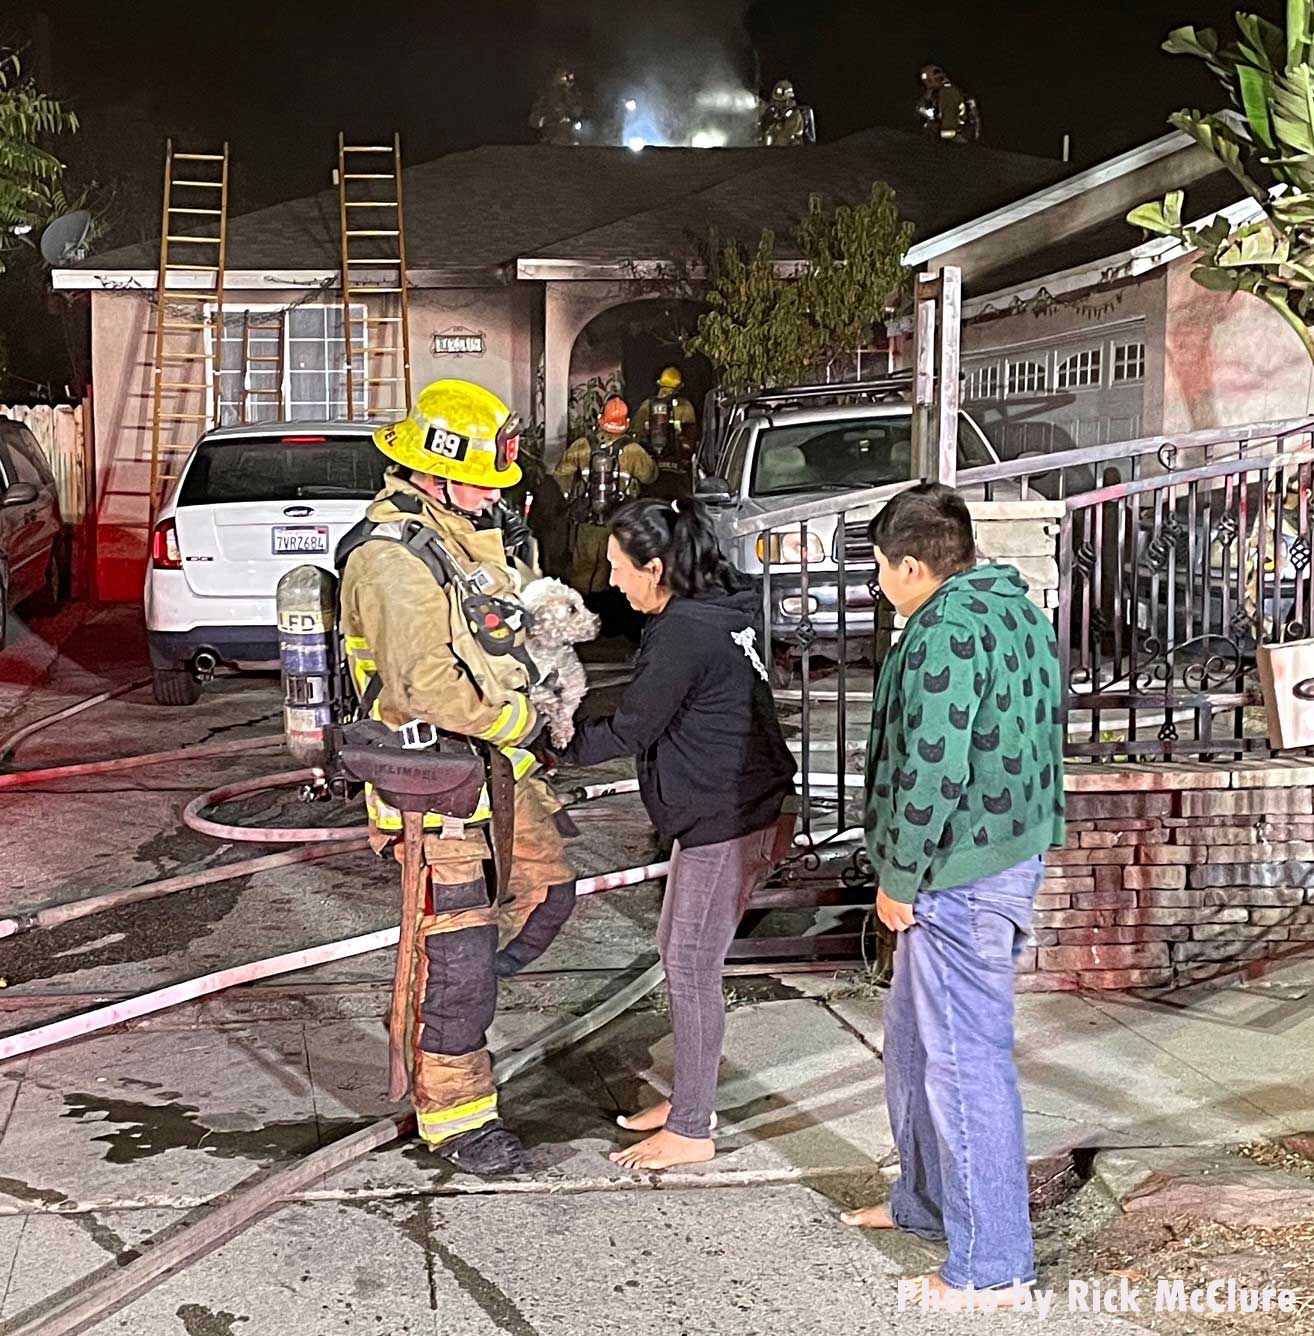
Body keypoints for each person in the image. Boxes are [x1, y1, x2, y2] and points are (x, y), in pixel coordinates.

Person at [338, 378, 578, 1178]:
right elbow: (424, 689)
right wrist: (523, 723)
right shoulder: (391, 561)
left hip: (497, 776)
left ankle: (440, 1002)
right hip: (434, 793)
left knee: (549, 894)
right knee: (459, 956)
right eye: (482, 480)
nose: (494, 494)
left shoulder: (471, 538)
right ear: (433, 475)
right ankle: (455, 1114)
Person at [843, 483, 1064, 1306]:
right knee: (910, 1044)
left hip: (958, 875)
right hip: (992, 858)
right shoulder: (1013, 608)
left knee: (965, 1066)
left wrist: (898, 878)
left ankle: (993, 1264)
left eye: (879, 567)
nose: (878, 582)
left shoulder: (943, 634)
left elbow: (932, 771)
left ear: (910, 564)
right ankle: (926, 1205)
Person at [560, 498, 797, 1171]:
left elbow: (634, 725)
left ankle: (693, 1127)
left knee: (691, 963)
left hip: (730, 816)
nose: (610, 582)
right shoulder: (711, 614)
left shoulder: (683, 633)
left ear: (656, 568)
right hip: (734, 809)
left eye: (617, 568)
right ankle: (691, 1096)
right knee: (679, 952)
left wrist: (548, 743)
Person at [554, 396, 658, 630]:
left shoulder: (582, 446)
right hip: (617, 524)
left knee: (581, 569)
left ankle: (575, 623)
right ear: (627, 423)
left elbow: (561, 473)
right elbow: (651, 476)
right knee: (609, 571)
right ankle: (605, 625)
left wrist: (573, 497)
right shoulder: (633, 451)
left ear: (601, 420)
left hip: (587, 523)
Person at [631, 366, 698, 501]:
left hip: (652, 468)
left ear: (660, 385)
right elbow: (692, 437)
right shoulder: (686, 406)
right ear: (679, 387)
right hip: (678, 471)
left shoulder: (647, 405)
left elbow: (636, 432)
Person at [916, 65, 981, 144]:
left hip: (956, 135)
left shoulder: (948, 92)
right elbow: (920, 107)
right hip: (959, 133)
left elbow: (948, 124)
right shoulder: (940, 91)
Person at [757, 78, 815, 146]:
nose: (777, 104)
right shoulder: (774, 113)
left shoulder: (794, 115)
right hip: (770, 153)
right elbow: (762, 131)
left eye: (781, 102)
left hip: (790, 153)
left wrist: (770, 152)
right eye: (776, 101)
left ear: (788, 100)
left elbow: (784, 138)